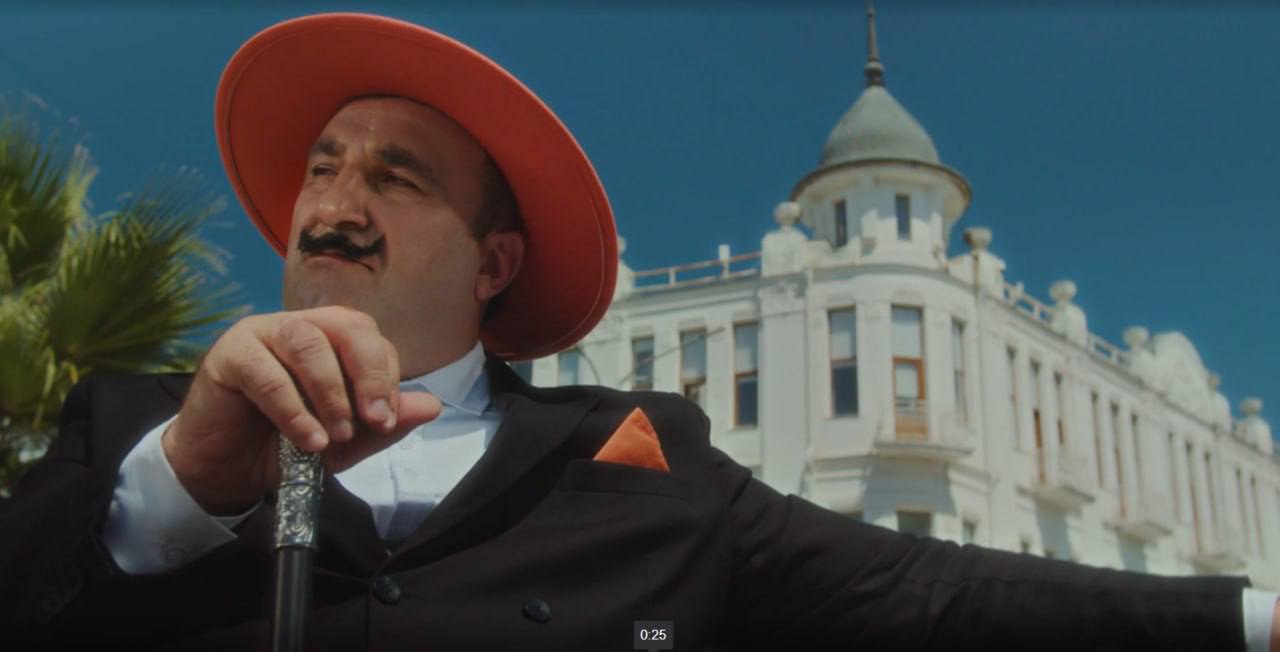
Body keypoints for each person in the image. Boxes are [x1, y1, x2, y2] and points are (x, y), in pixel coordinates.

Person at [1, 13, 1276, 651]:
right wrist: (180, 487)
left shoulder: (643, 457)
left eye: (395, 177)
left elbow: (929, 591)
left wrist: (1257, 618)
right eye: (322, 167)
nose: (332, 203)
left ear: (495, 262)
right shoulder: (131, 425)